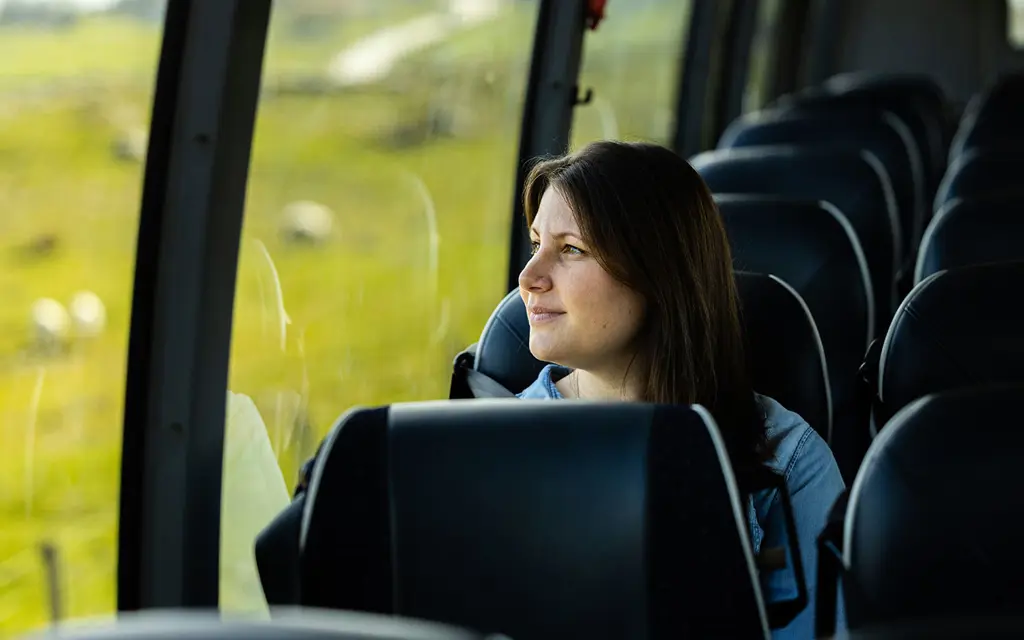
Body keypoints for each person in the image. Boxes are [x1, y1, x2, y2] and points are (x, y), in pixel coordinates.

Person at [515, 140, 845, 639]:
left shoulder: (785, 460)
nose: (528, 277)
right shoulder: (498, 442)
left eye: (571, 250)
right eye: (536, 243)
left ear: (658, 275)